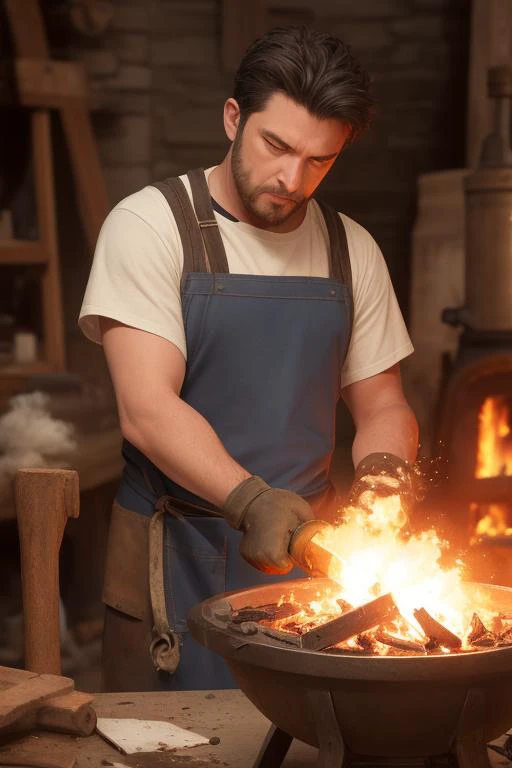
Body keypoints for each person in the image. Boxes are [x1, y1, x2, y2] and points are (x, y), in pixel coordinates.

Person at [79, 25, 418, 691]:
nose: (293, 179)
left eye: (319, 160)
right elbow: (147, 409)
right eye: (278, 146)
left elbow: (384, 404)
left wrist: (383, 479)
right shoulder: (150, 226)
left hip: (307, 568)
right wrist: (251, 499)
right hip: (172, 558)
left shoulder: (352, 252)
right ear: (234, 118)